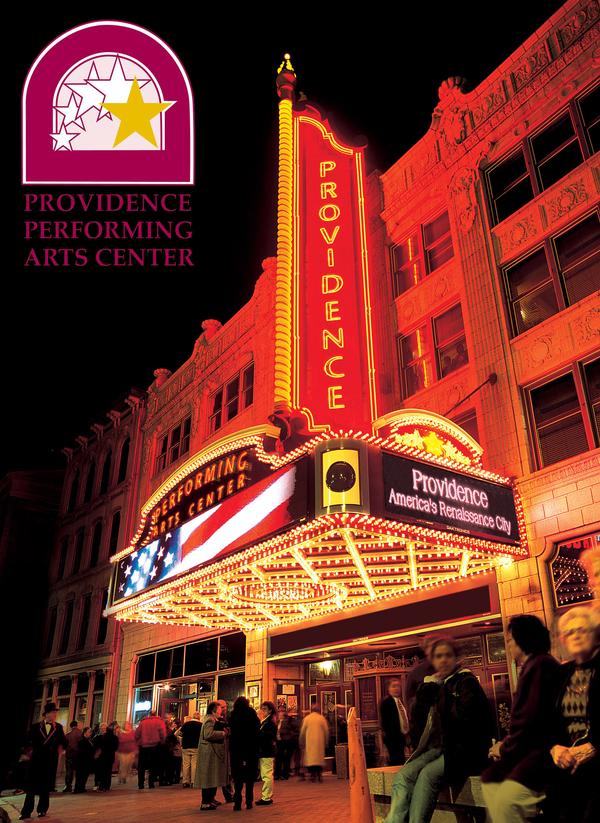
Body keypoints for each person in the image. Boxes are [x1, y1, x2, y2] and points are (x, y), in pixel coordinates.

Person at [384, 636, 493, 823]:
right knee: (404, 775)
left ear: (455, 658)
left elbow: (465, 722)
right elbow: (419, 721)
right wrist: (426, 692)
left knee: (427, 775)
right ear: (432, 660)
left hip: (464, 750)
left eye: (448, 655)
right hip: (439, 748)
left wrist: (443, 693)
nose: (443, 660)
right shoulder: (433, 684)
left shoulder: (466, 682)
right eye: (438, 656)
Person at [481, 615, 561, 822]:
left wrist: (504, 748)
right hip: (529, 749)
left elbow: (530, 720)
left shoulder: (540, 666)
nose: (507, 646)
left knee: (506, 801)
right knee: (490, 778)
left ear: (522, 639)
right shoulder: (534, 665)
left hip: (542, 752)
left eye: (509, 640)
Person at [544, 606, 600, 823]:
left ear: (595, 635)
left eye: (581, 630)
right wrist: (554, 748)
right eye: (569, 632)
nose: (575, 635)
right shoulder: (561, 674)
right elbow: (547, 721)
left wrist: (594, 747)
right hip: (567, 765)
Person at [19, 701, 67, 820]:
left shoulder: (58, 727)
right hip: (36, 761)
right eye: (53, 712)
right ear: (46, 714)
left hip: (50, 761)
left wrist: (61, 750)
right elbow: (26, 741)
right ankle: (26, 812)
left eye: (55, 712)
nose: (55, 714)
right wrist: (26, 753)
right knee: (31, 788)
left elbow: (64, 742)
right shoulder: (35, 727)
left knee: (45, 788)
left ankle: (42, 810)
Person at [194, 701, 228, 811]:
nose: (221, 711)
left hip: (212, 753)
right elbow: (208, 734)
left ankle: (211, 799)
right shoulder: (210, 720)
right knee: (208, 778)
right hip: (209, 753)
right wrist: (223, 733)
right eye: (220, 709)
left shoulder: (214, 719)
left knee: (212, 777)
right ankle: (206, 802)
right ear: (214, 710)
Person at [229, 696, 260, 811]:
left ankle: (237, 802)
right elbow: (257, 729)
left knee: (237, 777)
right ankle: (249, 802)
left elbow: (231, 731)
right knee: (250, 778)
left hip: (237, 749)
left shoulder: (233, 715)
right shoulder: (252, 713)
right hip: (251, 748)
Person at [379, 679, 410, 766]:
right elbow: (385, 723)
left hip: (401, 738)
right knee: (395, 763)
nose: (396, 688)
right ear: (388, 689)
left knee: (401, 763)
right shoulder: (386, 702)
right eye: (394, 686)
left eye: (398, 686)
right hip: (392, 740)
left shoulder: (400, 701)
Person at [135, 710, 167, 789]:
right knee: (153, 765)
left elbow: (137, 734)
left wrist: (138, 741)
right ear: (156, 714)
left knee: (141, 766)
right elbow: (163, 734)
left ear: (149, 714)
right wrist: (162, 742)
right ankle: (151, 783)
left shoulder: (143, 722)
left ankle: (140, 784)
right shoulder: (159, 722)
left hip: (144, 746)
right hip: (155, 746)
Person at [299, 706, 329, 783]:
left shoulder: (307, 719)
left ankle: (312, 775)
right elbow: (326, 731)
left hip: (309, 742)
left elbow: (302, 731)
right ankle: (319, 775)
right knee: (319, 759)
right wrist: (326, 741)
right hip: (319, 742)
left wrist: (301, 740)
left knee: (311, 759)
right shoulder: (322, 718)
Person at [405, 635, 436, 710]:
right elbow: (410, 702)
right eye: (433, 647)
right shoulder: (416, 673)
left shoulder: (454, 670)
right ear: (426, 650)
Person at [256, 701, 277, 805]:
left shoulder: (269, 723)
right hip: (264, 751)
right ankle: (266, 796)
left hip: (267, 751)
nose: (262, 711)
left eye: (264, 709)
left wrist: (259, 733)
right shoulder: (264, 722)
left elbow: (267, 737)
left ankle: (266, 797)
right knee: (265, 774)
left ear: (270, 711)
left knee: (267, 774)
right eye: (262, 709)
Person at [215, 699, 234, 803]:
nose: (224, 709)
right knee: (217, 773)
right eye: (222, 707)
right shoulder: (214, 719)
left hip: (227, 748)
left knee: (227, 773)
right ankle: (211, 797)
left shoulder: (228, 717)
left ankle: (229, 795)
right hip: (218, 749)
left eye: (225, 706)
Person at [275, 709, 300, 780]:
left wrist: (289, 735)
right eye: (279, 713)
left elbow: (293, 730)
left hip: (287, 742)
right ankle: (278, 774)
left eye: (281, 713)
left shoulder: (288, 721)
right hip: (279, 742)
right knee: (279, 758)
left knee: (286, 758)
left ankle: (284, 774)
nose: (279, 714)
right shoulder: (278, 722)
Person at [94, 721, 119, 791]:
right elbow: (115, 747)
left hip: (103, 757)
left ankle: (102, 785)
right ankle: (106, 786)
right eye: (101, 728)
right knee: (106, 772)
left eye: (103, 728)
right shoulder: (114, 737)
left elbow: (96, 746)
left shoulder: (100, 737)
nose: (102, 730)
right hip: (108, 757)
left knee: (103, 772)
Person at [179, 712, 202, 788]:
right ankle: (193, 781)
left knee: (186, 764)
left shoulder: (186, 724)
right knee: (194, 764)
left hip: (186, 746)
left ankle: (185, 781)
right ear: (199, 717)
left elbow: (180, 734)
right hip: (196, 746)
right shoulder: (201, 725)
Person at [73, 727, 95, 793]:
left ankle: (82, 787)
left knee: (84, 775)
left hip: (86, 761)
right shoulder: (82, 740)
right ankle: (78, 788)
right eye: (89, 732)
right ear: (85, 732)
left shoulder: (89, 740)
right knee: (80, 775)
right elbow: (81, 752)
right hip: (82, 761)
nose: (90, 733)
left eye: (91, 732)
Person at [63, 720, 82, 793]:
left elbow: (64, 745)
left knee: (69, 771)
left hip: (69, 755)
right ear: (76, 725)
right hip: (78, 755)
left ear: (71, 726)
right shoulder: (81, 733)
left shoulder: (68, 734)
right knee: (79, 771)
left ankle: (68, 786)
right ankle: (78, 786)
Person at [165, 719, 183, 785]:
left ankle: (176, 779)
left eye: (174, 723)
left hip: (177, 749)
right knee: (176, 765)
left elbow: (175, 738)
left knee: (177, 765)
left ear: (176, 724)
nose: (173, 724)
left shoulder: (178, 730)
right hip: (176, 749)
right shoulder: (173, 730)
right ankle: (175, 778)